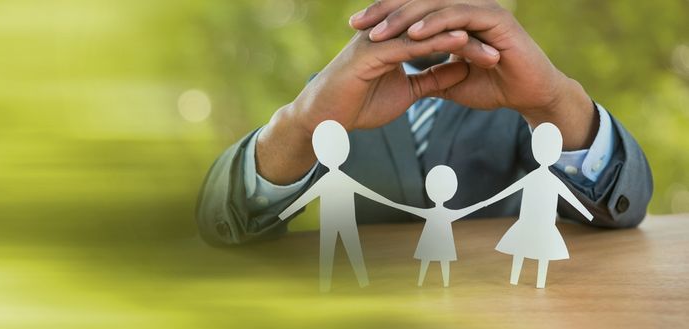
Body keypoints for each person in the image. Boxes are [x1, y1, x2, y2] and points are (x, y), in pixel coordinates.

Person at [195, 0, 652, 246]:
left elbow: (623, 211)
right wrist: (301, 124)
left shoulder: (525, 93)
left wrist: (554, 99)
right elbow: (220, 221)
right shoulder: (331, 96)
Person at [277, 120, 407, 291]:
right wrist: (283, 214)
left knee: (343, 251)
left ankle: (356, 281)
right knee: (333, 252)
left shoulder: (339, 179)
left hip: (345, 221)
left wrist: (283, 214)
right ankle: (335, 284)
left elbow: (369, 194)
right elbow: (305, 198)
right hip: (332, 222)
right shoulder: (333, 180)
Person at [484, 123, 595, 288]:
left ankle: (539, 282)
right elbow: (509, 191)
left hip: (545, 227)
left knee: (541, 253)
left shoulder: (552, 180)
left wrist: (588, 214)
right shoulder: (533, 178)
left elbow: (571, 198)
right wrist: (488, 201)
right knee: (521, 250)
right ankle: (516, 278)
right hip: (526, 223)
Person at [379, 165, 512, 287]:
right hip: (434, 240)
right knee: (433, 259)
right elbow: (412, 210)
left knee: (435, 259)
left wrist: (393, 204)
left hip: (437, 240)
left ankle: (437, 283)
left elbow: (463, 212)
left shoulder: (439, 213)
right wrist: (483, 203)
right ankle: (431, 283)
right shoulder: (443, 213)